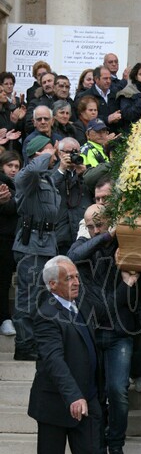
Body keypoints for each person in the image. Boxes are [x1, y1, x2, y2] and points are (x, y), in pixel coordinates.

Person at [27, 255, 110, 454]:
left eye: (76, 276)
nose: (76, 282)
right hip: (55, 405)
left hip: (88, 403)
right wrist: (73, 395)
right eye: (69, 279)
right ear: (52, 285)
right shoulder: (46, 313)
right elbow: (53, 360)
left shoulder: (79, 305)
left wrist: (91, 395)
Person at [68, 205, 140, 454]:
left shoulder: (128, 246)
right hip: (91, 333)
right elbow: (72, 256)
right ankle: (96, 453)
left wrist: (127, 287)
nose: (95, 230)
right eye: (91, 227)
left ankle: (116, 447)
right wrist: (125, 286)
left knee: (118, 392)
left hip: (119, 334)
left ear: (112, 222)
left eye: (100, 225)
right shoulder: (83, 248)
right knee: (92, 395)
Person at [12, 139, 60, 361]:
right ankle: (24, 344)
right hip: (30, 245)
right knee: (27, 298)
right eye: (49, 152)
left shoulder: (47, 179)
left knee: (41, 298)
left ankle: (37, 341)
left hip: (46, 244)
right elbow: (32, 170)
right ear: (36, 154)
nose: (54, 156)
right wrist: (46, 153)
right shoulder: (26, 177)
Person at [0, 150, 21, 336]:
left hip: (14, 241)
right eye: (10, 166)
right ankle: (4, 318)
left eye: (17, 166)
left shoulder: (19, 186)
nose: (13, 170)